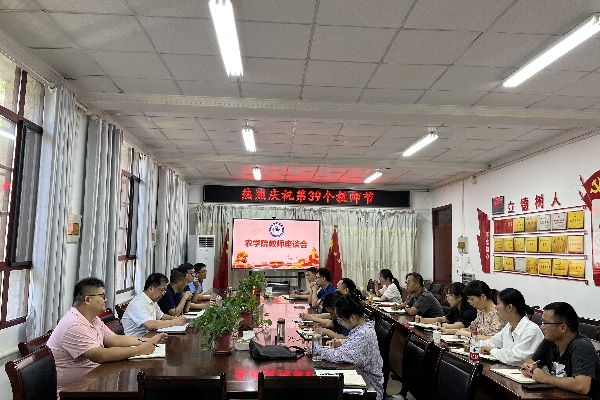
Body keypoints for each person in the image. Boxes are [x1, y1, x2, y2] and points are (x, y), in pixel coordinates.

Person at [46, 278, 168, 395]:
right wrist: (139, 350)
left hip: (94, 377)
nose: (106, 299)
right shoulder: (74, 324)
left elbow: (115, 339)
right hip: (73, 391)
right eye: (102, 296)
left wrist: (148, 340)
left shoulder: (93, 319)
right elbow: (100, 355)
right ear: (87, 299)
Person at [521, 302, 600, 399]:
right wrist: (529, 367)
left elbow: (582, 386)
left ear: (563, 328)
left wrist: (545, 378)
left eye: (545, 323)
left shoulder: (580, 347)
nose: (542, 326)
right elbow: (532, 360)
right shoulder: (550, 341)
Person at [319, 294, 384, 400]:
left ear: (352, 317)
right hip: (360, 379)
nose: (340, 323)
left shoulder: (364, 333)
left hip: (369, 388)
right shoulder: (361, 327)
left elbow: (345, 356)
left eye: (340, 320)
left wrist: (317, 350)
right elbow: (354, 343)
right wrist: (341, 343)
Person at [474, 288, 543, 366]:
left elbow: (515, 357)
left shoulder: (532, 330)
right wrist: (473, 345)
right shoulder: (509, 326)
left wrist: (492, 350)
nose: (496, 307)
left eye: (498, 303)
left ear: (510, 307)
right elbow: (491, 342)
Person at [121, 273, 189, 337]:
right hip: (136, 341)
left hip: (149, 337)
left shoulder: (153, 301)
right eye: (162, 290)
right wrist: (174, 322)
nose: (163, 294)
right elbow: (150, 325)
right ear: (151, 289)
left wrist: (175, 318)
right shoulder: (139, 302)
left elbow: (161, 316)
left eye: (164, 291)